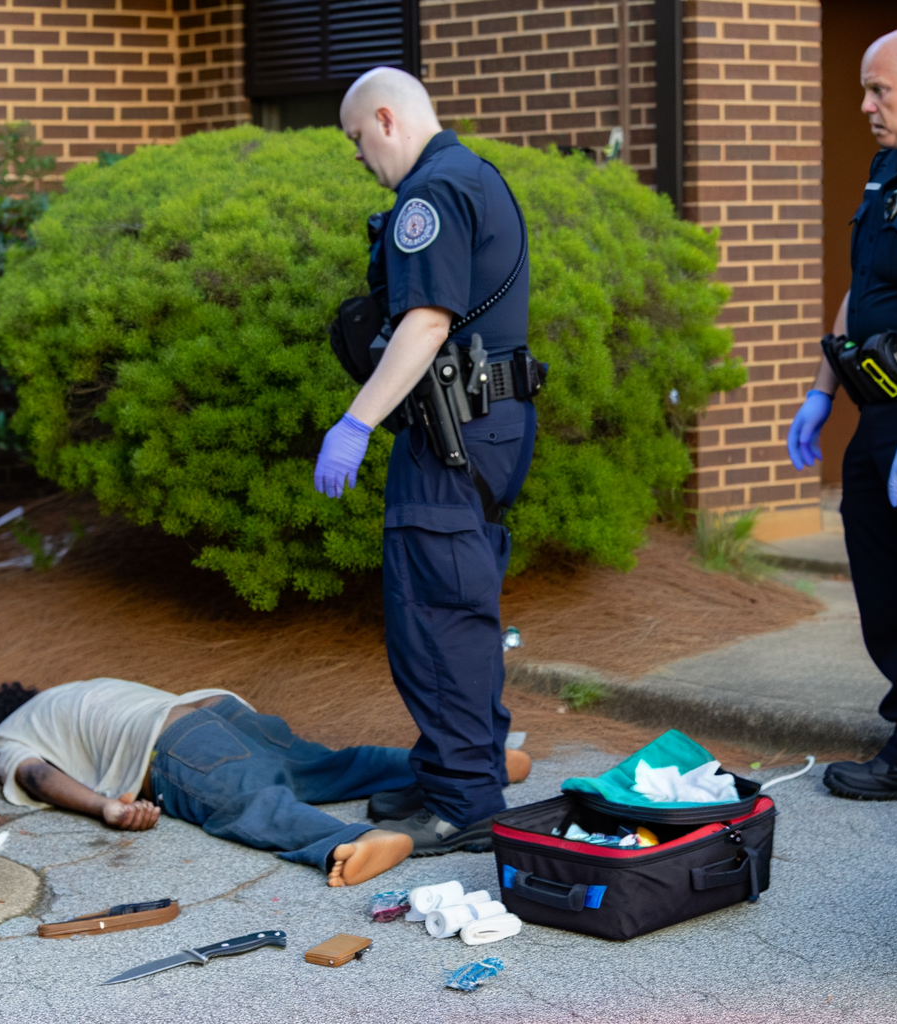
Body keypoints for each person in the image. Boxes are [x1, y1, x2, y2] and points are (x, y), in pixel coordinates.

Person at [313, 67, 538, 854]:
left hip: (452, 431)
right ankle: (456, 766)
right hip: (490, 423)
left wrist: (355, 421)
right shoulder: (476, 174)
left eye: (356, 139)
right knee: (461, 604)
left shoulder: (430, 193)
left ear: (385, 117)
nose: (358, 156)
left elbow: (426, 323)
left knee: (434, 616)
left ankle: (467, 800)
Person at [787, 25, 897, 849]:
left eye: (878, 90)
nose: (864, 106)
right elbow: (865, 286)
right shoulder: (893, 167)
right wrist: (823, 392)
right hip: (878, 415)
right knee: (890, 595)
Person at [0, 678, 420, 886]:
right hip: (220, 709)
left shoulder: (6, 735)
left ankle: (356, 839)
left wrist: (107, 808)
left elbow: (37, 776)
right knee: (330, 767)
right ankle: (454, 765)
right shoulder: (70, 693)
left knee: (253, 804)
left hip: (179, 745)